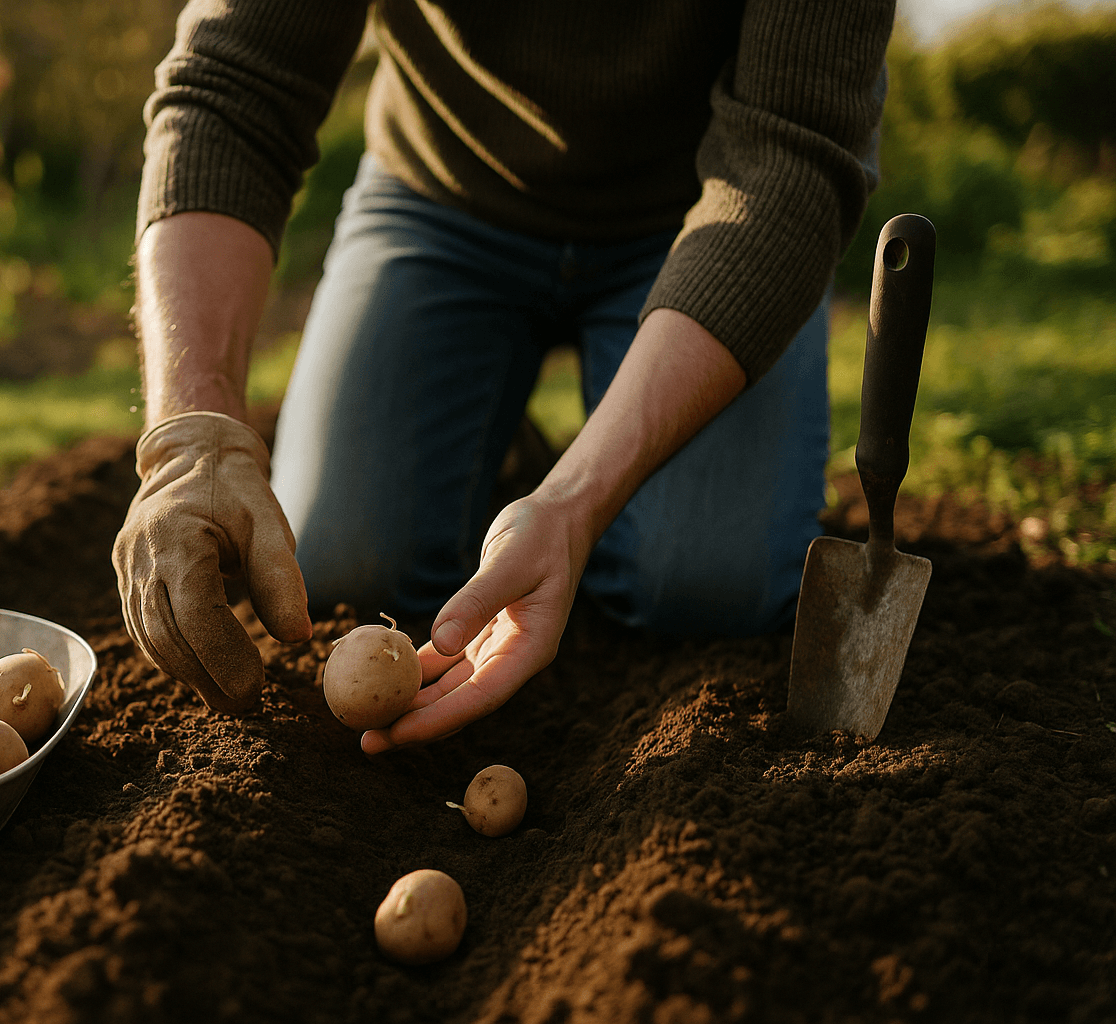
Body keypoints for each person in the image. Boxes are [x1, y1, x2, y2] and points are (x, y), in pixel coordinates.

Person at [113, 1, 894, 754]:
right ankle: (497, 439)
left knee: (705, 584)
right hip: (439, 196)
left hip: (710, 217)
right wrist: (190, 440)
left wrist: (575, 504)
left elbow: (794, 158)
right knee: (346, 565)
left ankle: (563, 471)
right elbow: (231, 88)